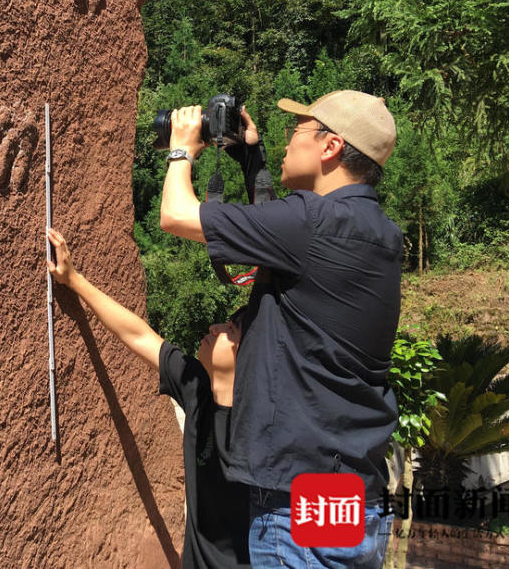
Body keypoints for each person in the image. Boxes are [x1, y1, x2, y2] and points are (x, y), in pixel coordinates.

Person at [159, 90, 402, 568]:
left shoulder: (312, 224)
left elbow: (175, 215)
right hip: (353, 494)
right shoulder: (380, 232)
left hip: (299, 506)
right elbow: (279, 246)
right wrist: (251, 157)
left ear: (331, 147)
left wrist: (182, 146)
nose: (288, 142)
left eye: (298, 132)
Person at [46, 227, 249, 568]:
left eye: (231, 330)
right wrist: (74, 280)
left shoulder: (260, 429)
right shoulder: (196, 387)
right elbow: (138, 335)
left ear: (250, 356)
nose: (215, 328)